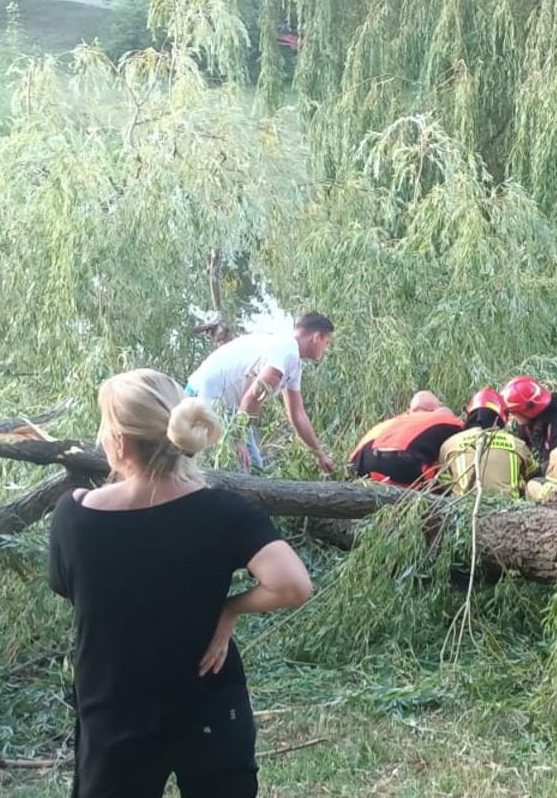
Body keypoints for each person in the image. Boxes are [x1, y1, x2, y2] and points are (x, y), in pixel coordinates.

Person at [49, 369, 313, 796]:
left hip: (116, 709)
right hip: (207, 703)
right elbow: (293, 585)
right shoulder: (225, 512)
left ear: (119, 442)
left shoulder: (74, 517)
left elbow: (66, 586)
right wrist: (229, 609)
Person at [183, 312, 336, 474]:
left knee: (254, 469)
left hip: (228, 409)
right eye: (327, 343)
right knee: (247, 472)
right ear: (316, 337)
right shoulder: (286, 351)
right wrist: (237, 438)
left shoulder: (292, 360)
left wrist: (319, 454)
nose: (326, 349)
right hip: (207, 400)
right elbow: (254, 395)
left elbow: (297, 414)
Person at [438, 387, 536, 497]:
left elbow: (444, 483)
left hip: (463, 508)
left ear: (469, 413)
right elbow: (535, 475)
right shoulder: (517, 444)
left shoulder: (450, 444)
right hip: (509, 508)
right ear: (502, 417)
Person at [349, 405, 465, 488]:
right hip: (405, 461)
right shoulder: (453, 422)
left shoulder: (395, 421)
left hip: (361, 462)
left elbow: (354, 456)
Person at [502, 375, 557, 466]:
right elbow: (521, 449)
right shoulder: (526, 424)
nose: (513, 417)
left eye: (514, 413)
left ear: (527, 410)